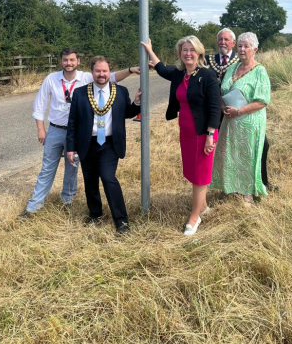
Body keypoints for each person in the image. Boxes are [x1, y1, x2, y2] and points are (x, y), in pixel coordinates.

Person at [18, 48, 139, 219]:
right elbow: (40, 105)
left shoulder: (86, 77)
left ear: (78, 61)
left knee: (72, 169)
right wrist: (40, 129)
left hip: (80, 133)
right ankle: (34, 206)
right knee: (47, 168)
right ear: (61, 61)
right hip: (56, 130)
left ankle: (67, 201)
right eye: (66, 60)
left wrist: (130, 70)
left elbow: (110, 76)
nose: (69, 63)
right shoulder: (51, 79)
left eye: (72, 60)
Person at [141, 36, 221, 236]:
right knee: (193, 171)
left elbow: (214, 108)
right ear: (180, 53)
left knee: (200, 175)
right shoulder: (179, 74)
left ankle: (195, 216)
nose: (188, 53)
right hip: (186, 131)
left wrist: (210, 135)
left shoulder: (207, 75)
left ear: (199, 53)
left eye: (192, 50)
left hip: (204, 132)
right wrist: (150, 50)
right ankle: (202, 206)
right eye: (184, 50)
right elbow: (160, 68)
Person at [66, 56, 141, 234]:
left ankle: (121, 221)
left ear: (110, 72)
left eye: (105, 71)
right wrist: (70, 147)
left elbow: (127, 113)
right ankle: (95, 215)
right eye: (98, 71)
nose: (101, 74)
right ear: (92, 72)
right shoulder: (80, 93)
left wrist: (137, 103)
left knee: (108, 178)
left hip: (109, 144)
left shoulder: (120, 91)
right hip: (87, 143)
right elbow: (72, 122)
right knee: (90, 181)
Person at [206, 27, 278, 191]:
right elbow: (222, 90)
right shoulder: (229, 67)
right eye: (240, 46)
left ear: (255, 49)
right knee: (229, 154)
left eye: (246, 46)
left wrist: (238, 111)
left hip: (249, 120)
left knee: (251, 154)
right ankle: (231, 187)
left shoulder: (260, 70)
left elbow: (262, 100)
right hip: (228, 119)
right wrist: (224, 106)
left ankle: (252, 190)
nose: (242, 49)